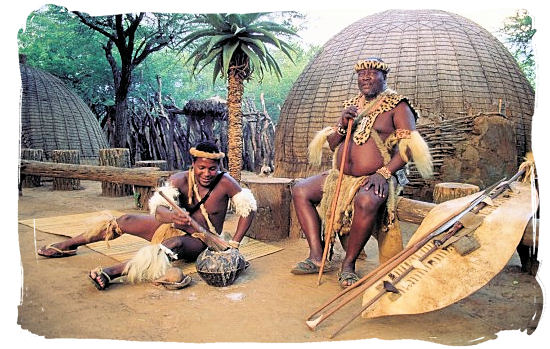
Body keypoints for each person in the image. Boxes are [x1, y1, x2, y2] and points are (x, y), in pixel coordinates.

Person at [290, 58, 433, 288]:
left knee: (366, 200)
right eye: (361, 74)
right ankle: (318, 256)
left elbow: (409, 150)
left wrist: (384, 173)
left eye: (372, 73)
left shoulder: (398, 106)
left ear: (384, 77)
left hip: (379, 175)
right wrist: (342, 123)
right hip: (341, 176)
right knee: (300, 190)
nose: (365, 78)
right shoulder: (353, 104)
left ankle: (348, 265)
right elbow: (335, 143)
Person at [37, 141, 257, 290]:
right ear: (193, 164)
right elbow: (158, 209)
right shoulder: (179, 179)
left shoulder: (226, 182)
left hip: (200, 241)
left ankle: (112, 273)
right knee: (125, 220)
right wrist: (171, 218)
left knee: (175, 242)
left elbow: (249, 209)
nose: (206, 173)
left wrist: (235, 242)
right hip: (173, 226)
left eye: (212, 169)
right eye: (201, 168)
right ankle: (70, 244)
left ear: (218, 166)